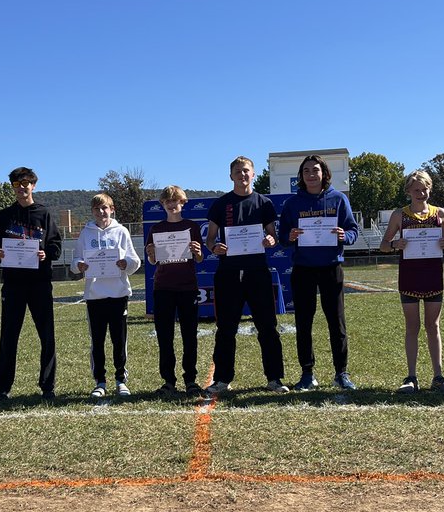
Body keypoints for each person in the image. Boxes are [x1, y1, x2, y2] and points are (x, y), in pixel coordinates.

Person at [205, 156, 288, 396]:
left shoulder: (263, 203)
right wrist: (214, 247)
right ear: (231, 176)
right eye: (238, 172)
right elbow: (210, 238)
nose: (242, 175)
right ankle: (221, 379)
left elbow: (273, 236)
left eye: (246, 171)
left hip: (257, 272)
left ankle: (274, 378)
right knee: (226, 328)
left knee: (268, 327)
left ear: (253, 174)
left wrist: (270, 239)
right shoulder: (221, 204)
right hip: (228, 273)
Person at [278, 154, 360, 391]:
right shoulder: (293, 204)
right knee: (304, 323)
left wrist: (346, 236)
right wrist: (289, 236)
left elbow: (352, 228)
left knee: (337, 322)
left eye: (315, 170)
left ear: (324, 173)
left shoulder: (338, 198)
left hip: (331, 267)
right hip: (303, 268)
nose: (311, 174)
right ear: (300, 176)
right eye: (306, 171)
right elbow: (283, 237)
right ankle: (307, 373)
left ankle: (341, 373)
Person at [0, 166, 62, 405]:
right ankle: (3, 387)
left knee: (47, 336)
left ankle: (47, 385)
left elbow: (55, 247)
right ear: (13, 187)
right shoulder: (5, 216)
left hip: (39, 283)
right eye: (17, 185)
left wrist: (45, 254)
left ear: (33, 185)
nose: (21, 188)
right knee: (9, 336)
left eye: (25, 184)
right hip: (13, 285)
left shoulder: (44, 213)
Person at [379, 170, 444, 393]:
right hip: (410, 275)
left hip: (433, 274)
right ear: (408, 191)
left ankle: (438, 376)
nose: (421, 193)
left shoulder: (439, 213)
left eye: (425, 189)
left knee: (434, 326)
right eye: (417, 190)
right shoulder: (398, 215)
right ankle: (411, 376)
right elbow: (384, 244)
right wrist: (394, 245)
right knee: (412, 326)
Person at [73, 192, 142, 398]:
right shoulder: (85, 234)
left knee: (119, 340)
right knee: (98, 341)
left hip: (118, 294)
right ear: (92, 212)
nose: (101, 212)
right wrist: (80, 265)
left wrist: (125, 264)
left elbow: (134, 261)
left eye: (105, 208)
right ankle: (100, 382)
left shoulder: (121, 232)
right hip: (95, 296)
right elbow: (75, 260)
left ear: (112, 209)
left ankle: (121, 379)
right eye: (97, 209)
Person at [144, 185, 205, 397]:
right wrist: (151, 254)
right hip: (163, 288)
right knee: (165, 336)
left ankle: (191, 380)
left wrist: (197, 252)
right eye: (167, 201)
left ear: (183, 203)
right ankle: (168, 381)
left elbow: (199, 259)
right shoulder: (156, 229)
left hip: (187, 287)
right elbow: (153, 261)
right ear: (162, 204)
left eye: (176, 201)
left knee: (190, 336)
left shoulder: (192, 226)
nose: (172, 205)